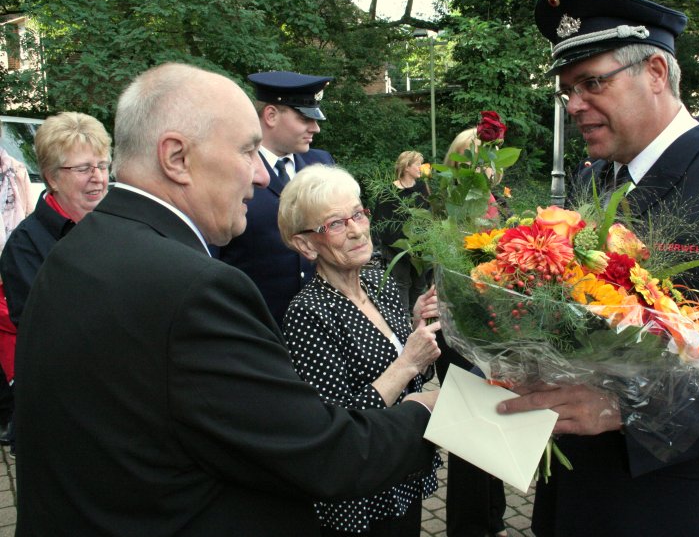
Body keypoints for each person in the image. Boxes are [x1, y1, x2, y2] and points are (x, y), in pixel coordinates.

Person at [13, 62, 439, 537]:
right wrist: (429, 409)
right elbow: (324, 456)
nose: (261, 177)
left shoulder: (77, 249)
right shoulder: (196, 288)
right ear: (175, 157)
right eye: (248, 150)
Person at [496, 0, 699, 537]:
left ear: (656, 72)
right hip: (577, 500)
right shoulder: (593, 179)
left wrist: (626, 410)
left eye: (591, 82)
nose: (574, 104)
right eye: (567, 89)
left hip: (680, 506)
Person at [278, 163, 442, 536]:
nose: (355, 230)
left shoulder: (376, 280)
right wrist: (407, 361)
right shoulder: (308, 312)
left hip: (403, 469)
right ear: (305, 244)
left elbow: (417, 372)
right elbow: (336, 429)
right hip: (362, 495)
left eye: (357, 214)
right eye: (335, 224)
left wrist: (417, 330)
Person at [0, 111, 111, 458]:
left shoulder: (116, 225)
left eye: (103, 165)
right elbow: (47, 330)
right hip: (64, 411)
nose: (98, 178)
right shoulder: (26, 245)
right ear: (52, 178)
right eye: (83, 169)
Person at [215, 70, 335, 325]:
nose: (315, 127)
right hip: (258, 329)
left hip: (325, 328)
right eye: (304, 118)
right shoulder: (232, 170)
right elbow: (214, 258)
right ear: (270, 115)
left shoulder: (322, 164)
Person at [434, 130, 509, 537]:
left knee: (491, 437)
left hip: (492, 332)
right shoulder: (459, 206)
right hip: (466, 334)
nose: (493, 166)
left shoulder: (494, 201)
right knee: (470, 445)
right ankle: (471, 527)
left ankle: (491, 518)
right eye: (485, 158)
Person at [0, 144, 35, 447]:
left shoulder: (16, 169)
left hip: (9, 259)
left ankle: (14, 421)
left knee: (13, 334)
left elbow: (24, 213)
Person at [373, 150, 430, 316]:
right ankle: (403, 323)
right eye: (418, 164)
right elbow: (381, 224)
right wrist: (404, 248)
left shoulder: (422, 188)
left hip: (421, 247)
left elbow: (429, 216)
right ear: (406, 167)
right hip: (397, 249)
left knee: (420, 285)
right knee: (401, 284)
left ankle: (416, 320)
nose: (421, 167)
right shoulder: (387, 192)